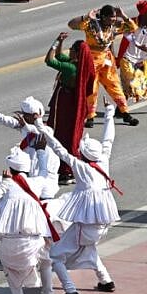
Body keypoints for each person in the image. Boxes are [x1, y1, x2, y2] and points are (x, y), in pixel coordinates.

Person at [29, 102, 121, 294]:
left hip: (88, 226)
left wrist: (39, 125)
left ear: (83, 154)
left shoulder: (81, 167)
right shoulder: (103, 161)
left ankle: (70, 291)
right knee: (88, 248)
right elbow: (108, 139)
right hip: (102, 226)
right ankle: (105, 280)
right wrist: (109, 113)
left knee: (55, 255)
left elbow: (59, 149)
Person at [0, 146, 59, 294]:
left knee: (10, 272)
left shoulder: (6, 184)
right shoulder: (37, 182)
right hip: (34, 241)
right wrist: (40, 152)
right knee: (46, 264)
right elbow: (45, 171)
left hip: (9, 241)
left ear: (10, 168)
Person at [0, 96, 60, 197]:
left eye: (26, 115)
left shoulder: (47, 131)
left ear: (35, 116)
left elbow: (39, 131)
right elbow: (2, 118)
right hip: (31, 176)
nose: (23, 117)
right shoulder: (24, 126)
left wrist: (26, 126)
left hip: (45, 178)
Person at [67, 5, 141, 126]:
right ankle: (90, 117)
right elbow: (71, 24)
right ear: (103, 17)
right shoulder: (91, 25)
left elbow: (133, 28)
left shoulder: (114, 27)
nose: (113, 19)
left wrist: (123, 15)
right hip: (91, 60)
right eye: (111, 17)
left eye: (114, 17)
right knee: (92, 88)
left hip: (106, 60)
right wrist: (86, 16)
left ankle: (125, 113)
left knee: (115, 86)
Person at [43, 33, 96, 183]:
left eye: (72, 49)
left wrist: (55, 43)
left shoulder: (71, 68)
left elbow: (50, 60)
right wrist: (60, 41)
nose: (69, 51)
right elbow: (60, 55)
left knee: (59, 133)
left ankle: (64, 170)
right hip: (72, 104)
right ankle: (68, 169)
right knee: (69, 134)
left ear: (77, 53)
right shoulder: (79, 66)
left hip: (64, 103)